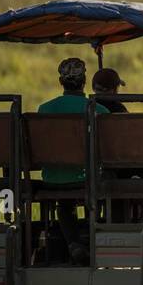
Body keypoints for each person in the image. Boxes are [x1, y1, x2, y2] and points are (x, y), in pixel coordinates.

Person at [37, 57, 108, 264]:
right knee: (98, 192)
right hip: (87, 179)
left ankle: (73, 243)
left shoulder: (44, 110)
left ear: (61, 83)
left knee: (64, 202)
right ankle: (94, 240)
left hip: (53, 178)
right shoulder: (98, 110)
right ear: (84, 81)